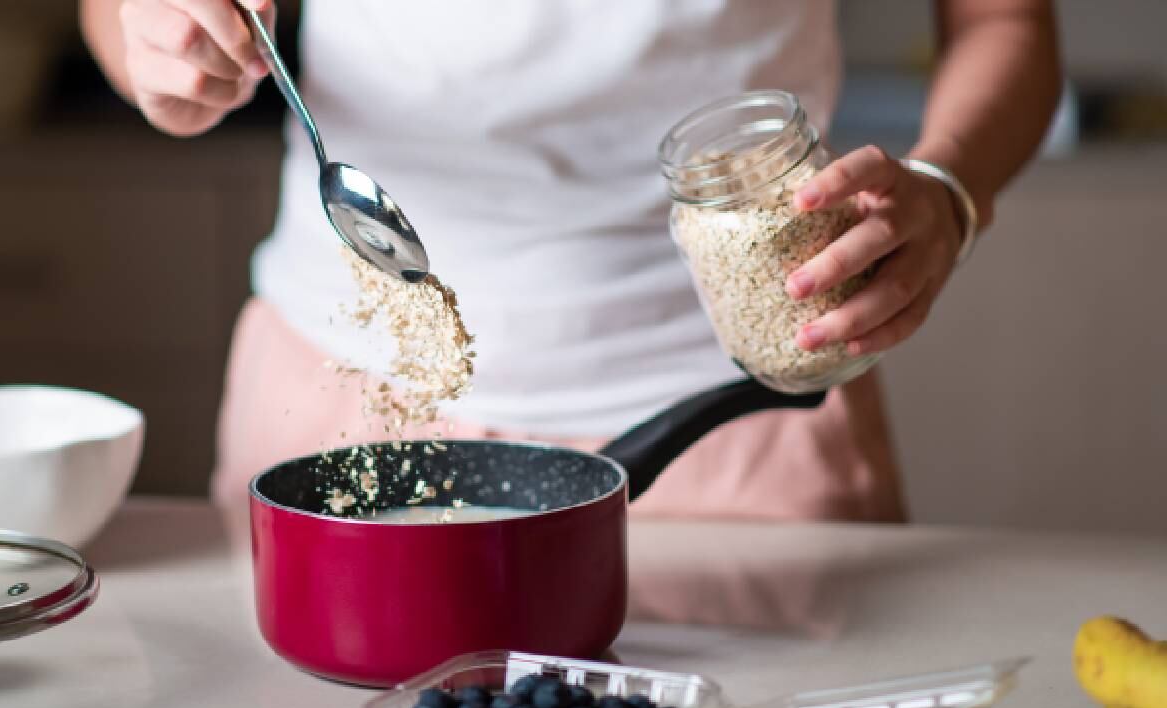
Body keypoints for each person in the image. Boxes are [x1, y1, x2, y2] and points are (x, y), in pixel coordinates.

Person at [81, 0, 1060, 521]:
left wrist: (947, 188)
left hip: (741, 414)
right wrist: (157, 47)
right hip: (346, 401)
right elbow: (125, 12)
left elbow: (1003, 21)